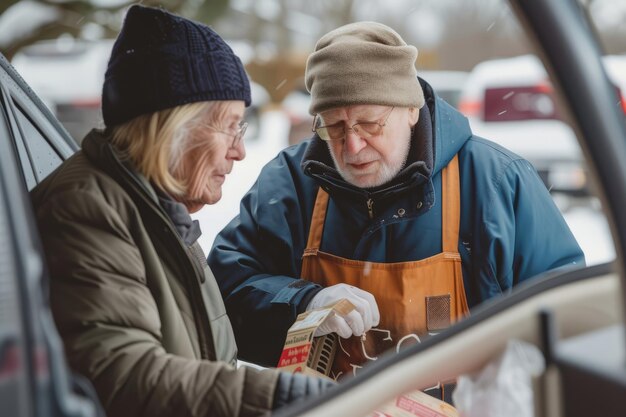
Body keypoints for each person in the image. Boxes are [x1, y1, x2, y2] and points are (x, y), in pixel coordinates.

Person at [208, 21, 585, 382]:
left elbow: (568, 315)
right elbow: (222, 291)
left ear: (410, 109)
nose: (352, 147)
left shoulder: (496, 184)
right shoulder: (291, 185)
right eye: (334, 127)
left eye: (370, 123)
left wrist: (512, 375)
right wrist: (304, 302)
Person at [30, 5, 332, 417]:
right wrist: (279, 396)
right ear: (174, 128)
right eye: (229, 125)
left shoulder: (157, 213)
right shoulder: (86, 209)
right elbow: (124, 376)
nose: (240, 150)